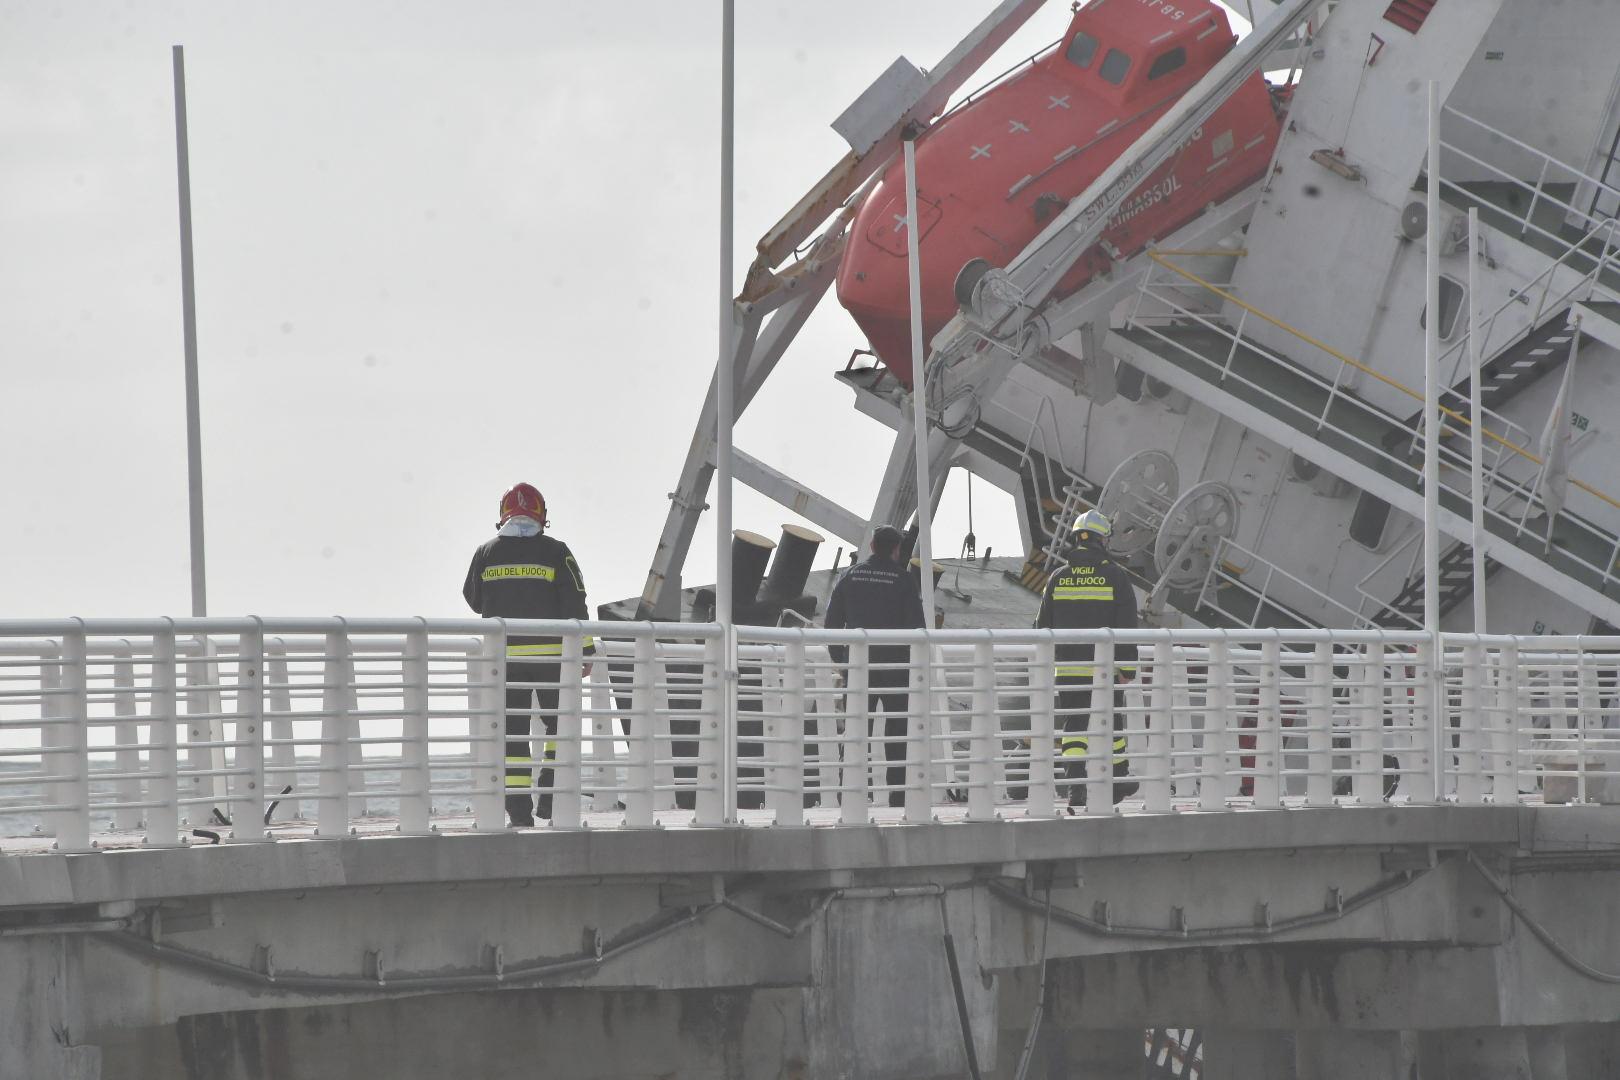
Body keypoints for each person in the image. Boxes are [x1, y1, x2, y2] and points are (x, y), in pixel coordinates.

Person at [463, 482, 592, 827]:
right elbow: (575, 602)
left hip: (504, 661)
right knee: (559, 729)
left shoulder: (485, 553)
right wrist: (587, 650)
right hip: (553, 660)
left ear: (502, 514)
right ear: (542, 516)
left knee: (512, 735)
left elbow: (473, 598)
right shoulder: (556, 552)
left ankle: (519, 814)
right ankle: (549, 798)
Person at [1035, 508, 1140, 810]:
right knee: (1112, 724)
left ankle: (1075, 789)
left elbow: (1042, 626)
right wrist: (1127, 668)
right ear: (1101, 541)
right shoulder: (1115, 576)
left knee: (1074, 727)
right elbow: (1126, 626)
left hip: (1068, 668)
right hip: (1104, 671)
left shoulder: (1058, 576)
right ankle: (1119, 778)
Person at [825, 525, 927, 808]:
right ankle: (897, 797)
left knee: (856, 732)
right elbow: (917, 628)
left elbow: (832, 624)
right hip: (895, 669)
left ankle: (851, 793)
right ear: (896, 550)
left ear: (871, 546)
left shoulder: (850, 575)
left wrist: (842, 663)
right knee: (896, 734)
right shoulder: (903, 580)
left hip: (858, 669)